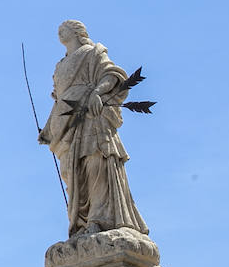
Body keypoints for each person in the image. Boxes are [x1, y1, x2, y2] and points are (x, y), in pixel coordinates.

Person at [38, 20, 148, 237]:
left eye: (65, 27)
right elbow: (58, 99)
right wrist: (49, 128)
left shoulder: (93, 53)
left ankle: (99, 219)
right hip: (66, 123)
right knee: (71, 171)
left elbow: (112, 75)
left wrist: (97, 92)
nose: (60, 30)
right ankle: (81, 222)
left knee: (95, 162)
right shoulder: (60, 66)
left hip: (91, 117)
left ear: (78, 32)